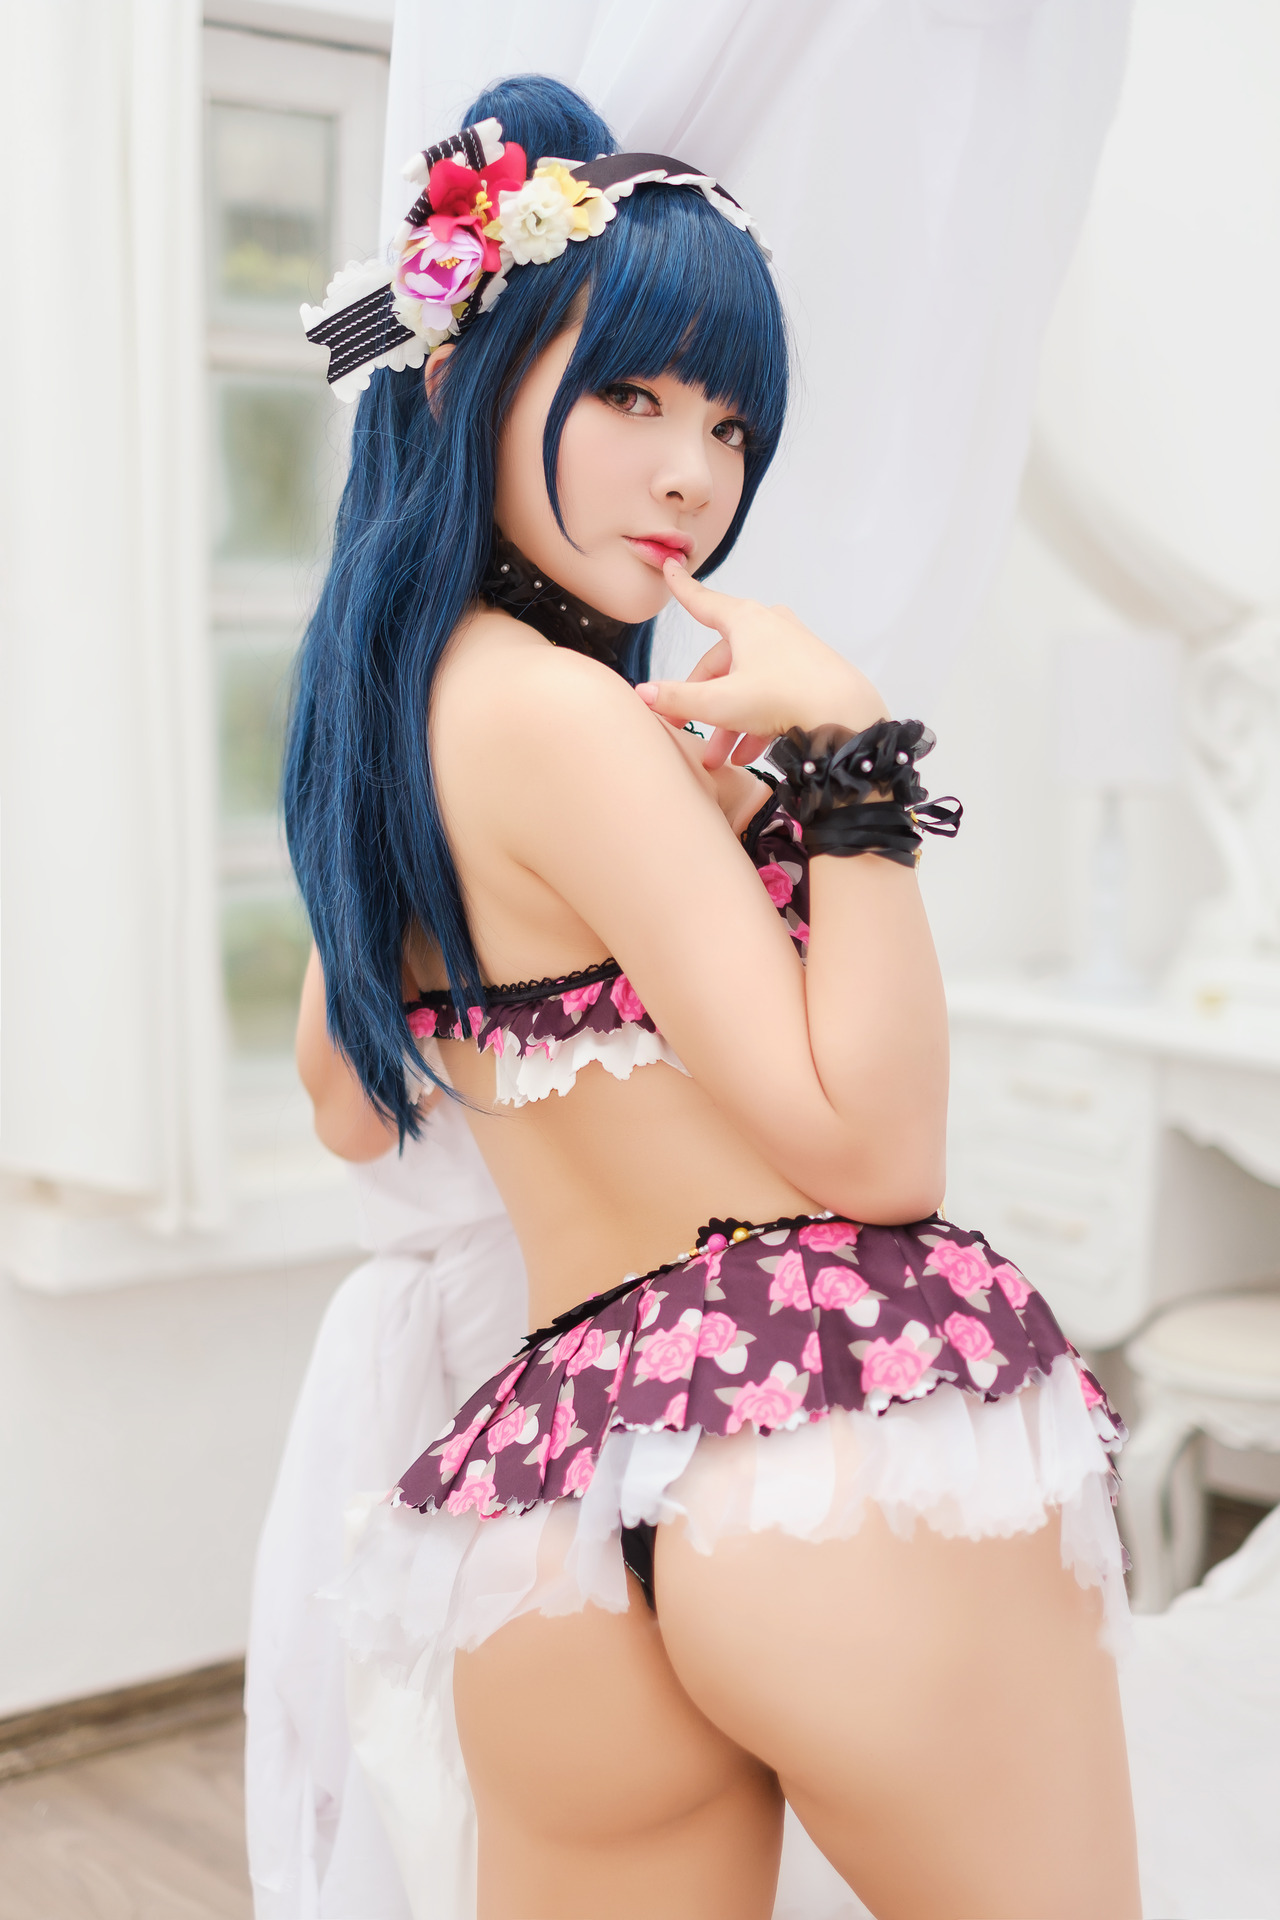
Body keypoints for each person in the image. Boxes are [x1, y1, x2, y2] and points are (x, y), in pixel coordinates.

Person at [286, 72, 1140, 1920]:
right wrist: (853, 765)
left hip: (551, 1504)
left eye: (731, 423)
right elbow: (877, 1154)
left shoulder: (396, 737)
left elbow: (351, 1105)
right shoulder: (568, 716)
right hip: (806, 1422)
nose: (694, 472)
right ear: (459, 376)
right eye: (632, 395)